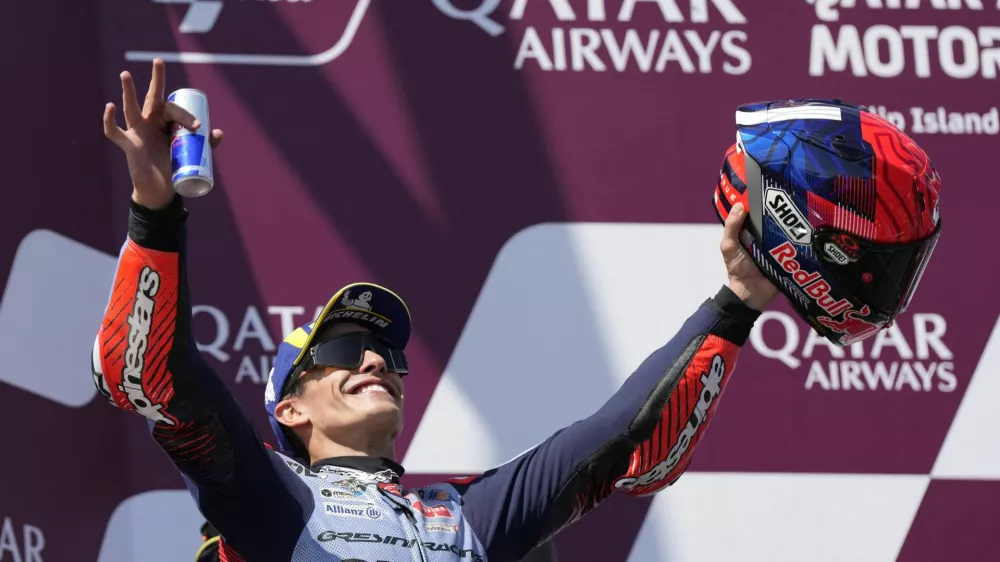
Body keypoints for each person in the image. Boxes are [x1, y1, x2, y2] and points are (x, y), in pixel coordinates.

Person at [93, 60, 936, 562]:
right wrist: (155, 212)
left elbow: (623, 444)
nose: (375, 360)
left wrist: (739, 302)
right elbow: (151, 375)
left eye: (385, 352)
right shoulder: (268, 497)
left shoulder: (462, 519)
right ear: (287, 408)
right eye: (343, 349)